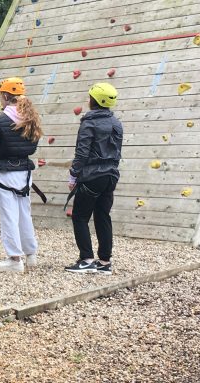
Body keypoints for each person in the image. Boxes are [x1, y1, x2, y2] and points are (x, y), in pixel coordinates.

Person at [65, 83, 123, 275]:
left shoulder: (89, 122)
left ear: (94, 100)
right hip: (110, 176)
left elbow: (82, 154)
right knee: (102, 216)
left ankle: (87, 259)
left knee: (80, 216)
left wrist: (73, 174)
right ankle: (105, 262)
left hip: (91, 176)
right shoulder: (116, 123)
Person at [0, 77, 42, 273]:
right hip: (25, 172)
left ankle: (14, 259)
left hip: (5, 172)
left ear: (6, 95)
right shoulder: (31, 117)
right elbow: (33, 147)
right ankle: (31, 255)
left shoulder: (1, 120)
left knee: (9, 215)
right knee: (24, 213)